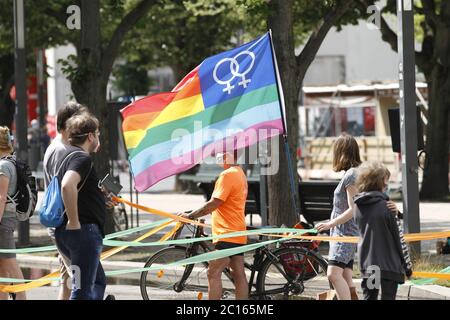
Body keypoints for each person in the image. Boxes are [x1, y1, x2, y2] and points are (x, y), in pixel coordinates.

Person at [179, 150, 248, 300]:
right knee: (239, 274)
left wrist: (190, 216)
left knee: (213, 272)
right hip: (237, 231)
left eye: (222, 153)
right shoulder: (239, 173)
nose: (219, 157)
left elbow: (214, 203)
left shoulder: (227, 175)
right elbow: (225, 204)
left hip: (226, 232)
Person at [53, 113, 107, 300]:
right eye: (97, 133)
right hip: (82, 232)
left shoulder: (66, 157)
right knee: (82, 290)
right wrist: (74, 222)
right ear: (90, 136)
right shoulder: (82, 158)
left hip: (69, 232)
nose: (98, 137)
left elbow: (77, 190)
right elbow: (67, 185)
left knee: (97, 282)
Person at [43, 101, 87, 300]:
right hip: (66, 224)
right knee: (80, 279)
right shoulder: (64, 151)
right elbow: (67, 187)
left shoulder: (57, 146)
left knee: (68, 279)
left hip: (60, 223)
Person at [353, 161, 413, 300]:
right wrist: (408, 267)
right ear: (380, 182)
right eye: (386, 179)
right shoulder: (387, 208)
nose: (387, 184)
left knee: (369, 297)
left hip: (369, 264)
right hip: (389, 265)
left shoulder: (358, 207)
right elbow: (400, 240)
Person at [316, 133, 361, 300]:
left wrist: (330, 224)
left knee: (333, 274)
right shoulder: (352, 173)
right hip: (343, 233)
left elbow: (353, 208)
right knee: (346, 277)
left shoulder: (351, 175)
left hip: (345, 234)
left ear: (342, 153)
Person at [0, 126, 26, 300]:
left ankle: (22, 298)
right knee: (3, 265)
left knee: (10, 262)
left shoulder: (3, 166)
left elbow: (1, 197)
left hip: (3, 221)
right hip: (7, 219)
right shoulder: (11, 161)